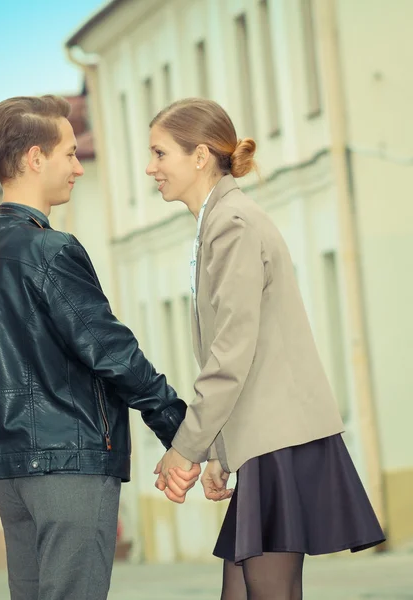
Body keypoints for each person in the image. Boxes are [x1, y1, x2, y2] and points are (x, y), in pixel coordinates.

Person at [0, 95, 200, 600]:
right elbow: (111, 350)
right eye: (68, 153)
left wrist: (7, 427)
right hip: (70, 465)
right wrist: (182, 429)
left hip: (11, 473)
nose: (78, 168)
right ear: (35, 158)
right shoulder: (51, 250)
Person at [147, 98, 385, 600]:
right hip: (267, 438)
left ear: (199, 156)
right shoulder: (221, 220)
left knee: (267, 592)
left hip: (280, 440)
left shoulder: (231, 223)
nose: (151, 169)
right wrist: (220, 453)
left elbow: (233, 352)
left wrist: (186, 448)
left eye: (160, 153)